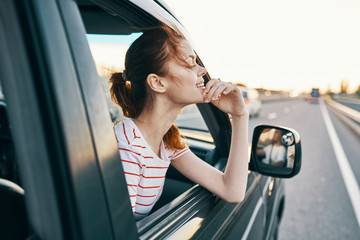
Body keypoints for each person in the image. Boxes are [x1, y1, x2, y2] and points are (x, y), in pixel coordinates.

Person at [109, 25, 249, 220]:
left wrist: (240, 115)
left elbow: (232, 190)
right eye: (190, 64)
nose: (203, 70)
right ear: (157, 83)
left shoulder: (167, 142)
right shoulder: (127, 148)